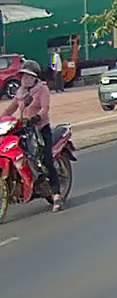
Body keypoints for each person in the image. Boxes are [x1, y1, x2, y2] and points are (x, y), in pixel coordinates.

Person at [2, 60, 61, 211]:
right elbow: (10, 109)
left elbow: (45, 109)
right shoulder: (20, 92)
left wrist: (36, 118)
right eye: (23, 76)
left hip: (40, 129)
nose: (25, 79)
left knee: (46, 159)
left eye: (28, 76)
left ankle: (56, 194)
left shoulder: (42, 89)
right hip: (24, 129)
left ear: (35, 78)